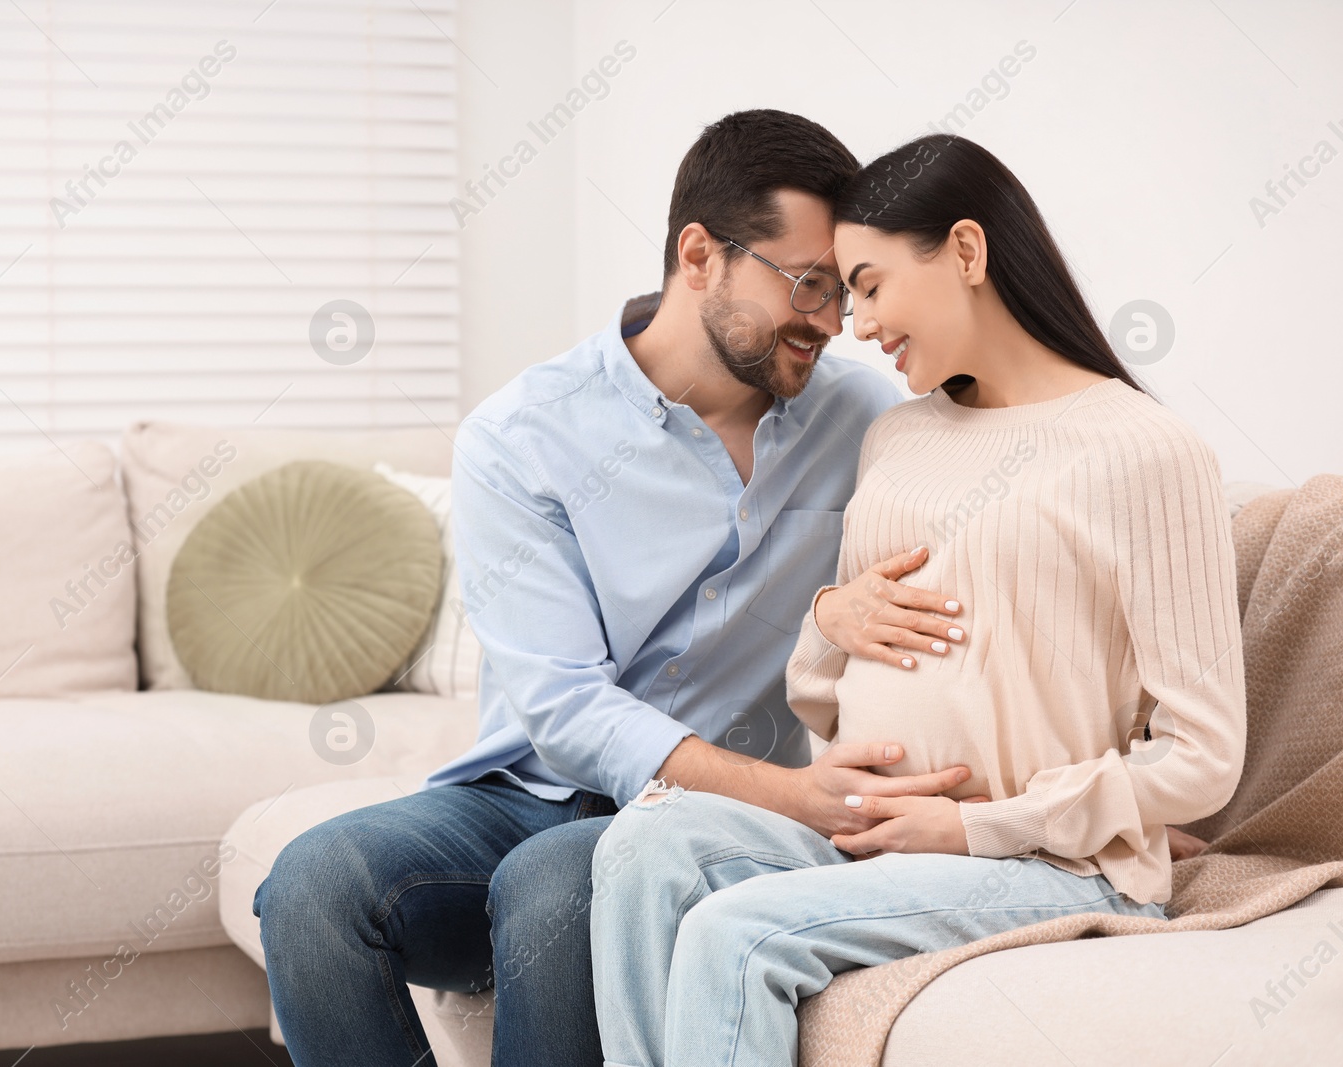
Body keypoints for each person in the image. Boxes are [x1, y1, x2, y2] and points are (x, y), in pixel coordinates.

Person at [251, 110, 985, 1066]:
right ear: (699, 254)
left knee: (556, 887)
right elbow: (563, 707)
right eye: (806, 284)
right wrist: (802, 795)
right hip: (537, 795)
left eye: (842, 293)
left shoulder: (862, 416)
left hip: (716, 824)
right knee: (312, 885)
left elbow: (1020, 466)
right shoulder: (523, 437)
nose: (829, 322)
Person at [590, 133, 1247, 1067]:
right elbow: (822, 692)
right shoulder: (897, 437)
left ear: (968, 253)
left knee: (735, 935)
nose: (855, 323)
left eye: (868, 283)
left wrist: (979, 824)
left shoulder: (1145, 452)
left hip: (1048, 866)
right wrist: (826, 623)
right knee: (640, 843)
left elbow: (1205, 757)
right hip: (879, 839)